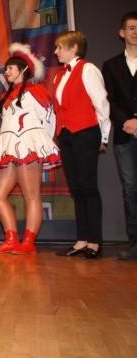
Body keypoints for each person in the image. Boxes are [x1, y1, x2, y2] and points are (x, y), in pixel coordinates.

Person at [0, 43, 61, 254]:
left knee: (31, 195)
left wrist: (40, 143)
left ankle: (28, 242)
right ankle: (11, 239)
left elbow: (49, 118)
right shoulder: (6, 96)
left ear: (24, 69)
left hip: (29, 146)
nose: (7, 72)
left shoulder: (36, 91)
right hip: (9, 148)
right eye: (6, 69)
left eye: (11, 68)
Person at [53, 30, 110, 259]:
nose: (56, 51)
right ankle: (82, 240)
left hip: (85, 133)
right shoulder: (59, 76)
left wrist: (104, 136)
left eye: (60, 47)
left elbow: (101, 103)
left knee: (88, 187)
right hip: (67, 135)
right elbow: (59, 109)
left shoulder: (88, 69)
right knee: (76, 188)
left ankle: (94, 242)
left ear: (74, 48)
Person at [102, 11, 137, 260]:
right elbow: (109, 100)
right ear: (122, 33)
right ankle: (135, 243)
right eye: (131, 28)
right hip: (125, 137)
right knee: (130, 190)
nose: (136, 32)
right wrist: (126, 121)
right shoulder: (111, 65)